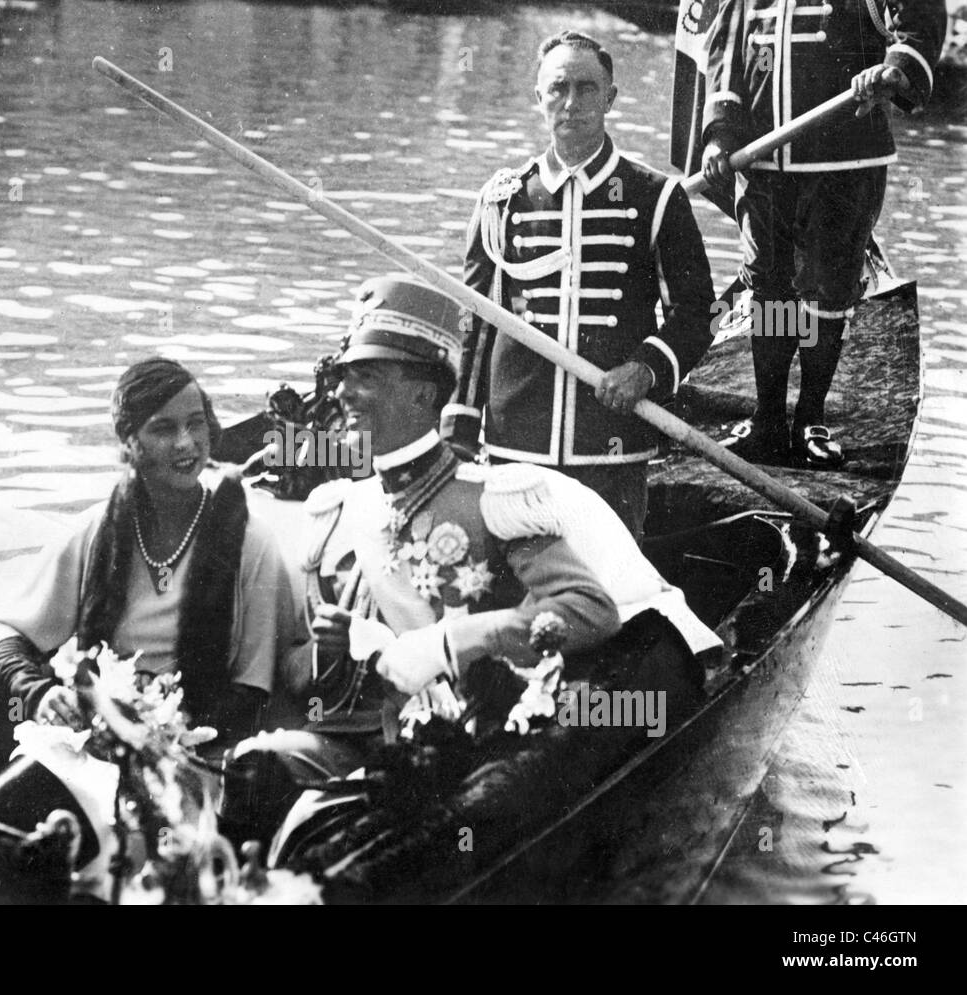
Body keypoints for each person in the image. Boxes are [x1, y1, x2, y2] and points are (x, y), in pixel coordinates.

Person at [228, 276, 723, 833]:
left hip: (519, 744)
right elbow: (312, 680)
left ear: (422, 394)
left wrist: (445, 643)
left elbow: (590, 608)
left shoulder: (496, 499)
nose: (342, 394)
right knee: (253, 774)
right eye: (344, 376)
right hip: (407, 745)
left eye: (364, 377)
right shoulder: (341, 510)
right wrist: (335, 649)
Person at [0, 358, 297, 776]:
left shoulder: (251, 540)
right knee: (26, 789)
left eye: (196, 424)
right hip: (94, 736)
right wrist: (38, 693)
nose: (186, 444)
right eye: (163, 429)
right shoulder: (98, 530)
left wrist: (159, 730)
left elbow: (253, 689)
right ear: (128, 443)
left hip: (196, 752)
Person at [444, 30, 716, 539]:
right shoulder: (501, 200)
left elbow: (697, 313)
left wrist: (647, 368)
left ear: (610, 97)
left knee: (611, 596)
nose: (572, 103)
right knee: (513, 591)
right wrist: (461, 423)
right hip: (516, 443)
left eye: (588, 89)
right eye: (559, 88)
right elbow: (476, 321)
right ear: (539, 96)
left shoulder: (656, 197)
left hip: (610, 446)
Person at [702, 0, 944, 466]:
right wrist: (719, 133)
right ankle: (767, 418)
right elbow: (727, 49)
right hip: (762, 159)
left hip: (844, 157)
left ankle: (810, 417)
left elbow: (921, 13)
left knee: (826, 296)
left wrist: (894, 68)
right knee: (769, 292)